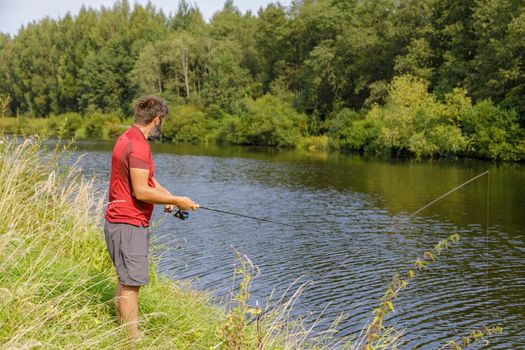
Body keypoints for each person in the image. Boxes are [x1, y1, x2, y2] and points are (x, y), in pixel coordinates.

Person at [103, 95, 199, 339]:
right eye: (161, 121)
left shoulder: (127, 138)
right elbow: (141, 191)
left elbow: (145, 178)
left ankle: (124, 335)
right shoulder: (139, 146)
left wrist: (165, 195)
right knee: (131, 285)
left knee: (126, 281)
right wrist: (178, 201)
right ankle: (132, 341)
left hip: (120, 221)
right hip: (128, 223)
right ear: (156, 119)